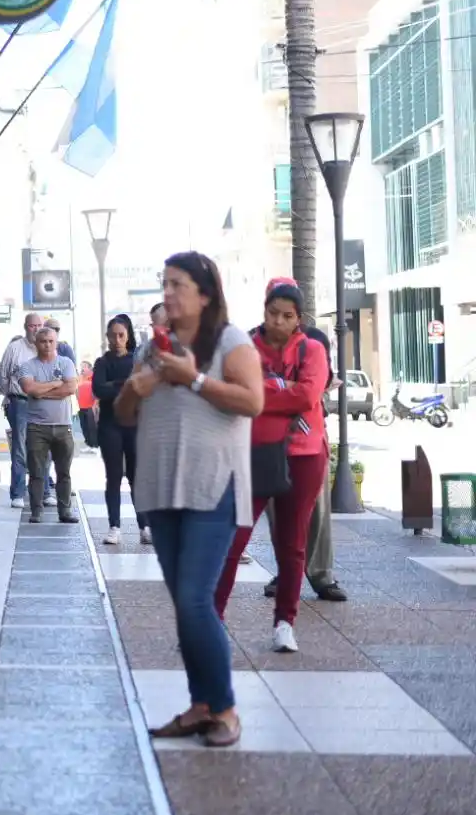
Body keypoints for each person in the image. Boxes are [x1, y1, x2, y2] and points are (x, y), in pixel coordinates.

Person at [116, 251, 263, 748]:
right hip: (161, 487)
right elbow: (124, 413)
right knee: (184, 603)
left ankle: (224, 710)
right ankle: (201, 705)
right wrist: (136, 389)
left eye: (178, 284)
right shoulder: (153, 347)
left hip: (211, 484)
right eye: (165, 283)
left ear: (205, 293)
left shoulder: (229, 340)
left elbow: (253, 401)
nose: (168, 292)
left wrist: (193, 379)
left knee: (197, 600)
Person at [215, 279, 330, 653]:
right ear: (263, 310)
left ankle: (285, 622)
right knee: (233, 540)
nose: (279, 322)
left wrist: (264, 392)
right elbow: (235, 392)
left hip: (304, 454)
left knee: (292, 544)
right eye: (272, 313)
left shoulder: (312, 349)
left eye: (288, 316)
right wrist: (279, 393)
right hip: (256, 451)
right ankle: (211, 621)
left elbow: (308, 394)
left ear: (298, 318)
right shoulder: (245, 346)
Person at [262, 318, 348, 602]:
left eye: (287, 312)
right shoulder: (260, 343)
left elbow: (318, 386)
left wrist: (286, 387)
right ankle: (286, 572)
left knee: (318, 512)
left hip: (310, 440)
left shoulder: (313, 341)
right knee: (278, 514)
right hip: (273, 441)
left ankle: (322, 574)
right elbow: (256, 386)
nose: (280, 319)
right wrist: (289, 387)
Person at [93, 314, 151, 545]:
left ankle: (144, 526)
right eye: (113, 335)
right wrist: (125, 385)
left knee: (137, 477)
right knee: (114, 476)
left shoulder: (137, 361)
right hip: (110, 425)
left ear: (128, 336)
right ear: (107, 337)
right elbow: (99, 390)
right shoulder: (102, 362)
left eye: (121, 335)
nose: (117, 339)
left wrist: (116, 386)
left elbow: (142, 388)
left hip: (135, 425)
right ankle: (114, 526)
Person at [18, 326, 79, 524]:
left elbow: (70, 388)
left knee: (64, 472)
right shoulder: (28, 366)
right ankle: (37, 511)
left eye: (51, 341)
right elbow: (29, 388)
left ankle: (65, 511)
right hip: (37, 427)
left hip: (63, 426)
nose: (47, 345)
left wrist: (41, 391)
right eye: (43, 341)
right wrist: (54, 384)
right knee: (36, 472)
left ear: (56, 342)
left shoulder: (66, 362)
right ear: (36, 343)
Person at [0, 314, 41, 509]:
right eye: (33, 326)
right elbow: (2, 375)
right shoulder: (15, 349)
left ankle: (44, 491)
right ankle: (18, 493)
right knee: (20, 448)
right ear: (25, 327)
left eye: (39, 325)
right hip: (20, 402)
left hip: (41, 402)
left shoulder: (47, 347)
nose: (36, 329)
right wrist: (12, 395)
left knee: (41, 448)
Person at [77, 359, 99, 452]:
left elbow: (97, 391)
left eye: (84, 366)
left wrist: (96, 404)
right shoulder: (80, 378)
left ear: (90, 368)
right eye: (81, 366)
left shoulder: (94, 377)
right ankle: (88, 444)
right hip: (81, 406)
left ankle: (95, 446)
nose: (82, 368)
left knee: (92, 427)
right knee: (84, 426)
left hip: (91, 406)